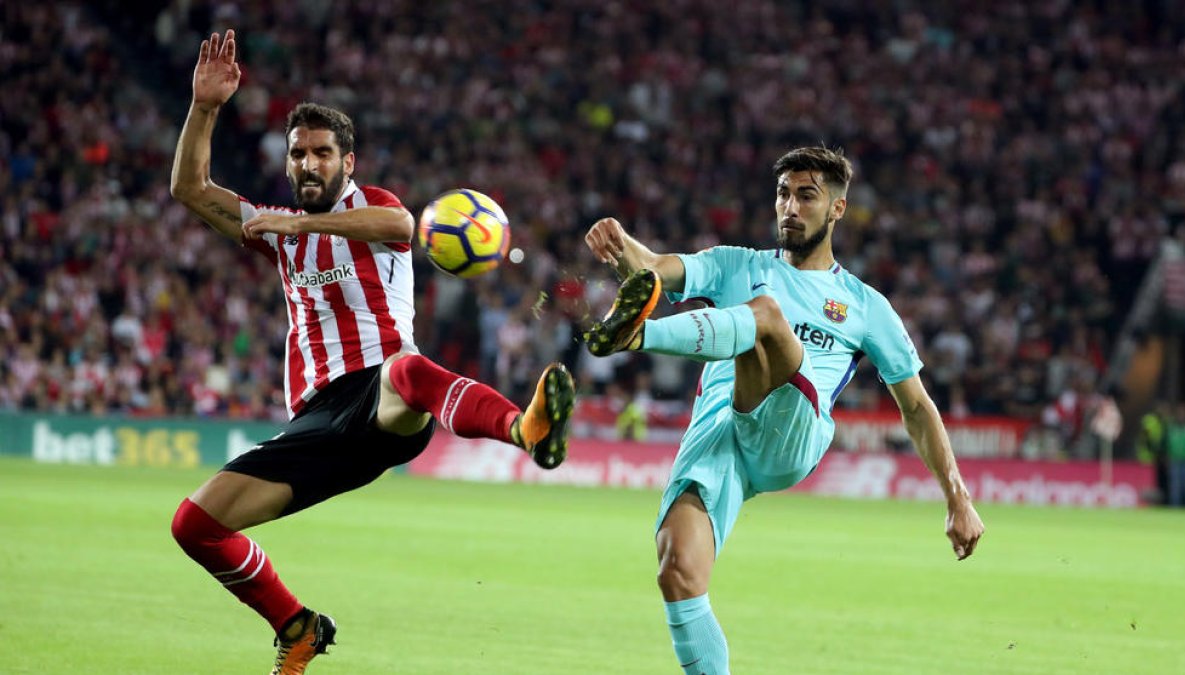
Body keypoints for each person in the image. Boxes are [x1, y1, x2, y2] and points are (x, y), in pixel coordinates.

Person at [168, 30, 575, 674]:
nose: (308, 164)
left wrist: (295, 223)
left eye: (322, 154)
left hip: (383, 395)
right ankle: (297, 627)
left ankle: (523, 429)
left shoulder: (369, 208)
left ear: (347, 163)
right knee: (195, 526)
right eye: (297, 153)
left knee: (407, 369)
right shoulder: (280, 233)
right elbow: (190, 190)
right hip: (318, 422)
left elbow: (401, 227)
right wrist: (205, 107)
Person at [583, 146, 985, 674]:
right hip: (720, 434)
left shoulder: (865, 305)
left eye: (806, 196)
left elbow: (916, 407)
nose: (790, 207)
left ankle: (637, 336)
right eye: (782, 194)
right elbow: (655, 268)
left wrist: (957, 497)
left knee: (767, 318)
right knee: (677, 570)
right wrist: (620, 243)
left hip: (792, 433)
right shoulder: (737, 264)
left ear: (837, 209)